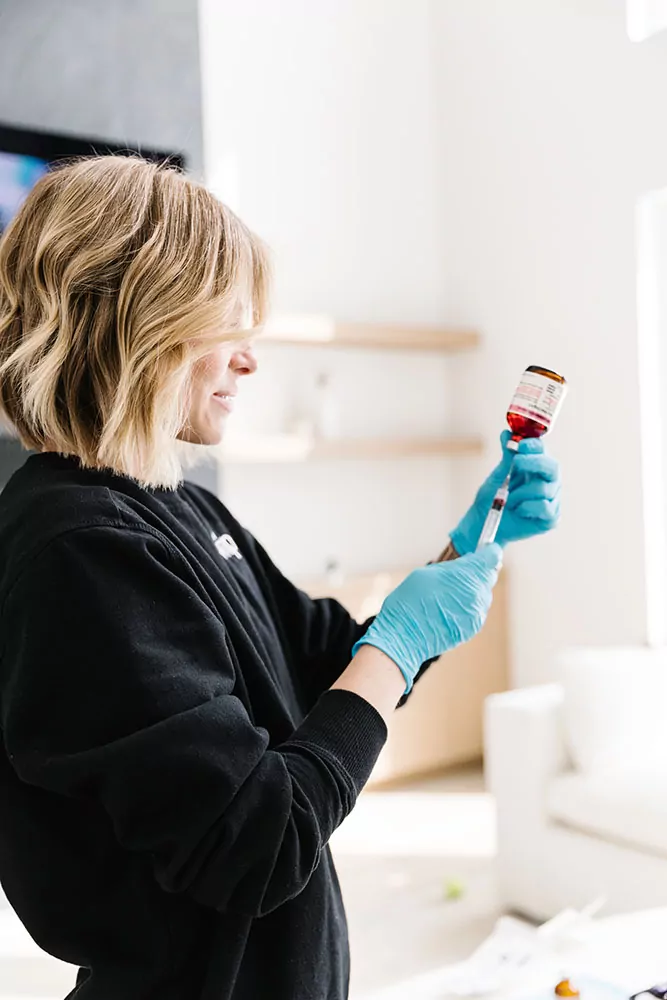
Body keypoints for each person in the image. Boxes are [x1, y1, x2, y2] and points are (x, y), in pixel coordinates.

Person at [0, 157, 560, 1000]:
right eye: (224, 326)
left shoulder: (177, 506)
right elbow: (258, 846)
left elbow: (334, 664)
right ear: (136, 324)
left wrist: (461, 549)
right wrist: (403, 640)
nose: (249, 362)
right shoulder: (77, 550)